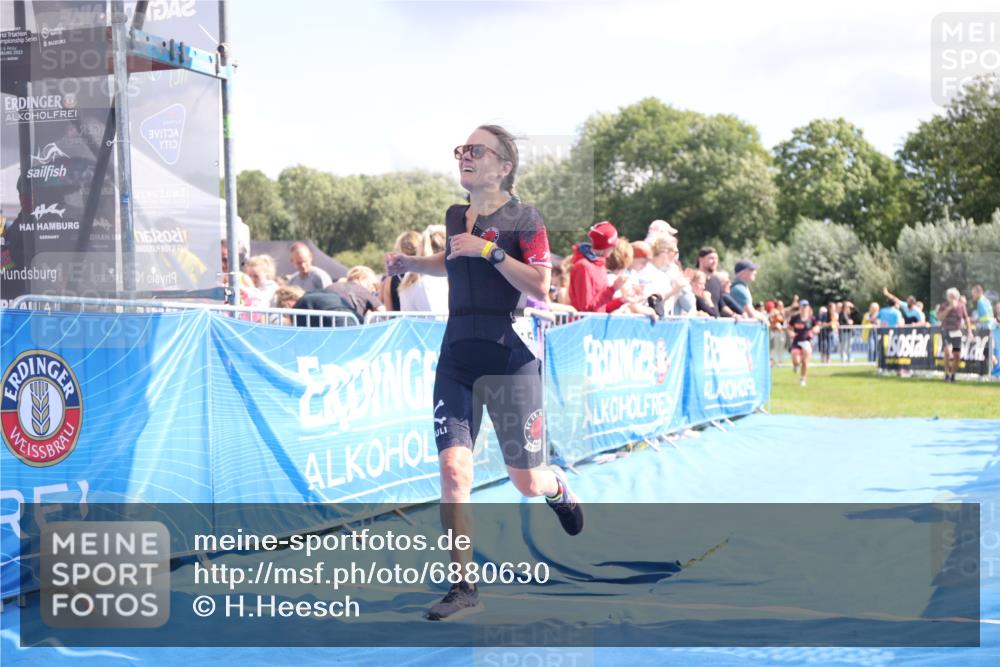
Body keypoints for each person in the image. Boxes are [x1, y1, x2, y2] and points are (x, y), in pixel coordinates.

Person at [384, 125, 583, 621]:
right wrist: (410, 262)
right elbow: (452, 260)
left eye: (476, 150)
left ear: (504, 165)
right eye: (462, 150)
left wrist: (491, 251)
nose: (465, 157)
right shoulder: (456, 216)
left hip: (510, 358)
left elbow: (541, 285)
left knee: (526, 481)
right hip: (457, 358)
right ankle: (463, 586)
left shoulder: (525, 218)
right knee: (454, 472)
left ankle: (555, 485)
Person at [568, 221, 632, 313]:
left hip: (596, 324)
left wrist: (622, 300)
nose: (614, 249)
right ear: (607, 246)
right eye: (613, 246)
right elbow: (586, 309)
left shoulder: (600, 265)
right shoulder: (583, 266)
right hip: (584, 326)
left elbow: (601, 307)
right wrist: (613, 288)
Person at [937, 287, 973, 382]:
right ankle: (946, 374)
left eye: (953, 296)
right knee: (947, 351)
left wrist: (969, 331)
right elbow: (939, 318)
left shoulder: (961, 306)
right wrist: (949, 308)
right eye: (950, 296)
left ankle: (953, 375)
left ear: (957, 297)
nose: (951, 298)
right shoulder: (944, 306)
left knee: (957, 355)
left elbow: (966, 319)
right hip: (946, 331)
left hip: (957, 332)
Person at [788, 300, 820, 386]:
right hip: (796, 342)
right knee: (796, 360)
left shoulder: (812, 318)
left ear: (808, 307)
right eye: (803, 306)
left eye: (806, 306)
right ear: (800, 307)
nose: (804, 308)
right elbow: (789, 327)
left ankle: (803, 379)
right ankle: (796, 366)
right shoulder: (795, 318)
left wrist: (815, 330)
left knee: (805, 362)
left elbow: (817, 327)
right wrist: (790, 332)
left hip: (807, 342)